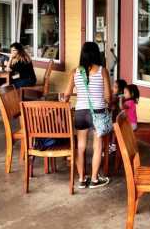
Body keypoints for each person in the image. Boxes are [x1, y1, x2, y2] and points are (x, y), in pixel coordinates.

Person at [63, 42, 111, 189]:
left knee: (81, 146)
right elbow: (108, 96)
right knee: (97, 147)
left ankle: (82, 180)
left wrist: (66, 99)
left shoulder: (74, 72)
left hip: (80, 112)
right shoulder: (103, 71)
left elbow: (66, 95)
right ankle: (95, 179)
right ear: (97, 54)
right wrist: (106, 103)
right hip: (97, 112)